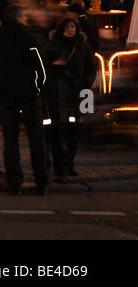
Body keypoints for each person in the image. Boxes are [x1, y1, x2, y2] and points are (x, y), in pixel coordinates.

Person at [0, 3, 49, 195]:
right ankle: (41, 181)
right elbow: (41, 68)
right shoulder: (29, 39)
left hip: (6, 95)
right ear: (19, 18)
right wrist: (38, 88)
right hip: (30, 94)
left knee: (10, 140)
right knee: (37, 139)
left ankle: (14, 182)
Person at [46, 16, 91, 182]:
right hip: (58, 93)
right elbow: (47, 68)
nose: (70, 29)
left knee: (73, 131)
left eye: (72, 26)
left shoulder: (82, 46)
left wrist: (86, 84)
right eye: (67, 27)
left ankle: (69, 163)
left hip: (77, 93)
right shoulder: (53, 45)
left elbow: (90, 67)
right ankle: (59, 167)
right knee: (58, 131)